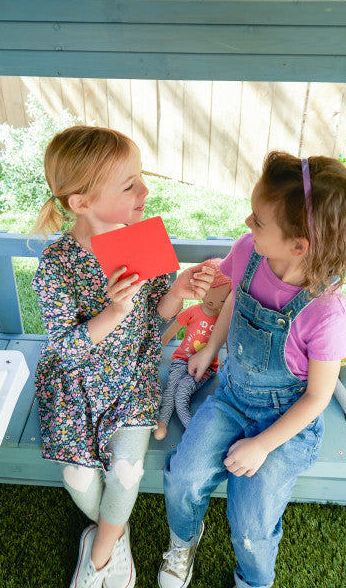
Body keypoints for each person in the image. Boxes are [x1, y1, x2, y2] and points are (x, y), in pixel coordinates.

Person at [158, 151, 346, 588]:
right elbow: (235, 300)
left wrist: (262, 446)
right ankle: (183, 540)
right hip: (231, 396)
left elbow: (317, 398)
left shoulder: (326, 311)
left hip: (285, 420)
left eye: (258, 219)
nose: (248, 222)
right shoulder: (248, 251)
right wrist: (210, 348)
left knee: (251, 520)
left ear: (299, 245)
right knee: (184, 477)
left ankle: (252, 580)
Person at [30, 125, 215, 588]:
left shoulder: (143, 245)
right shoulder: (57, 265)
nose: (145, 191)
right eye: (129, 184)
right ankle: (117, 532)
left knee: (127, 470)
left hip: (131, 383)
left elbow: (152, 331)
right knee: (77, 476)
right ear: (81, 203)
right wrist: (114, 310)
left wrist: (175, 291)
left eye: (141, 178)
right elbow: (66, 347)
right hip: (73, 387)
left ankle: (99, 556)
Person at [154, 259, 232, 440]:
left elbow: (230, 345)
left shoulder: (223, 320)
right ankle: (162, 422)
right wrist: (157, 350)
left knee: (183, 390)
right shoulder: (193, 312)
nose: (214, 301)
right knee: (171, 387)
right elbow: (171, 330)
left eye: (222, 298)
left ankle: (190, 426)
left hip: (206, 368)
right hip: (180, 359)